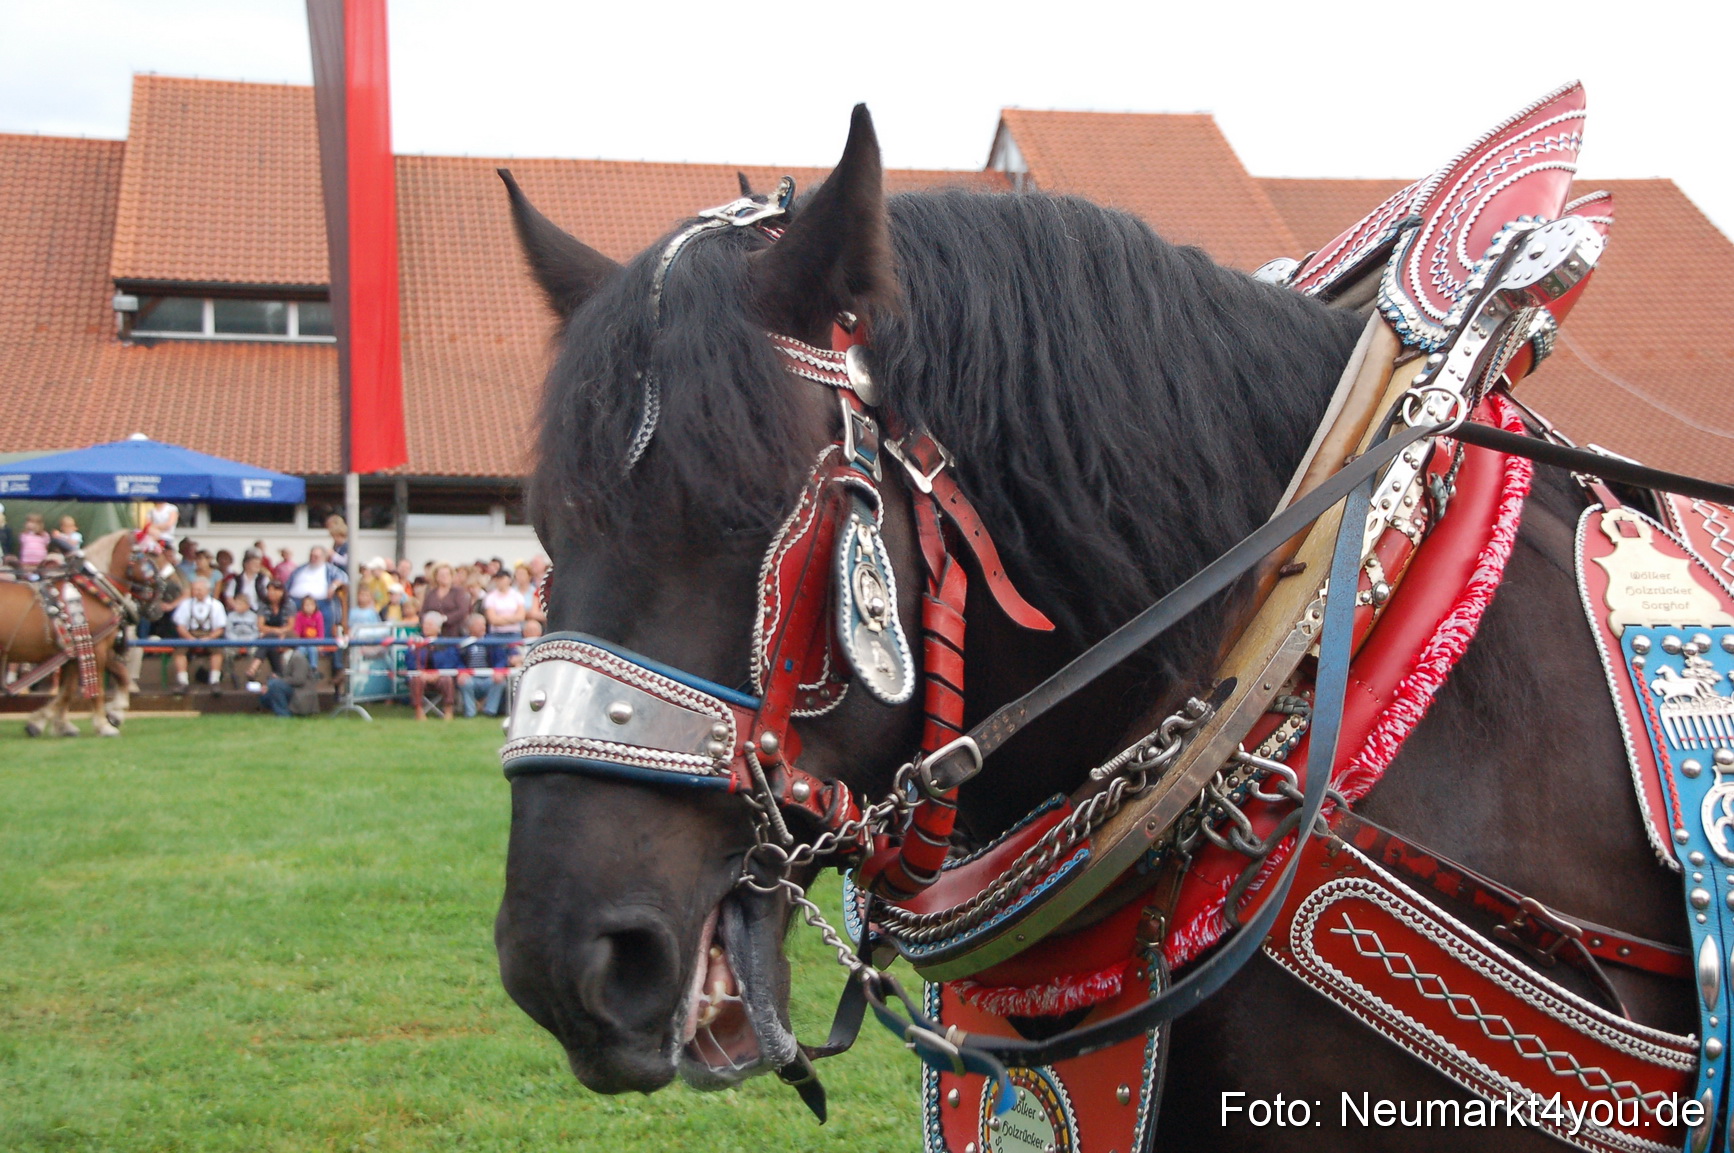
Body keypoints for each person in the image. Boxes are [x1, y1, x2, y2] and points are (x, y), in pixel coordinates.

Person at [171, 576, 227, 694]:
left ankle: (214, 682)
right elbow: (180, 626)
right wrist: (189, 638)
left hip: (210, 636)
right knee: (179, 651)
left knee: (217, 651)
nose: (197, 592)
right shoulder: (186, 604)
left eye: (200, 589)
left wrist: (209, 638)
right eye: (195, 589)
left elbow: (220, 628)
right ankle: (183, 683)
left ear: (208, 590)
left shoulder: (216, 605)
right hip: (189, 635)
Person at [286, 545, 347, 641]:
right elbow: (288, 583)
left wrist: (334, 586)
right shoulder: (301, 568)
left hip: (321, 602)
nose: (313, 558)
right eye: (311, 556)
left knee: (326, 615)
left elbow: (344, 578)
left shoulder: (330, 569)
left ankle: (323, 647)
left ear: (324, 557)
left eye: (316, 556)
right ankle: (295, 645)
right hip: (296, 602)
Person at [407, 611, 459, 721]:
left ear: (438, 628)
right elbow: (410, 661)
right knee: (416, 680)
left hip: (440, 676)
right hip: (421, 676)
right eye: (425, 624)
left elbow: (452, 661)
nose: (426, 627)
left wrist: (438, 673)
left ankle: (448, 711)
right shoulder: (415, 642)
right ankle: (419, 711)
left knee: (447, 680)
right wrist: (421, 672)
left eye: (430, 625)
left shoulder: (446, 643)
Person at [482, 569, 526, 666]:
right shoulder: (490, 597)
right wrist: (512, 618)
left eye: (503, 579)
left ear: (509, 580)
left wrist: (501, 618)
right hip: (496, 635)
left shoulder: (517, 595)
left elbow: (521, 616)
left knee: (516, 661)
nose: (500, 581)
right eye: (498, 579)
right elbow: (493, 619)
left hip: (514, 634)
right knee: (498, 664)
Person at [456, 613, 496, 718]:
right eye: (479, 625)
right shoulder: (463, 643)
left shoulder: (491, 641)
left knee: (500, 682)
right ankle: (470, 713)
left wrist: (498, 671)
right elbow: (457, 660)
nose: (483, 627)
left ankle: (490, 711)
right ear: (470, 627)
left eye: (484, 624)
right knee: (464, 682)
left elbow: (500, 659)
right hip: (470, 677)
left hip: (489, 677)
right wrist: (462, 671)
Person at [262, 646, 320, 717]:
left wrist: (280, 680)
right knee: (271, 685)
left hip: (301, 692)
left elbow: (299, 680)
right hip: (293, 688)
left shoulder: (298, 657)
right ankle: (280, 711)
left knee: (275, 685)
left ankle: (283, 714)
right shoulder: (286, 657)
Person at [420, 563, 471, 639]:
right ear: (436, 577)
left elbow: (463, 610)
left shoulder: (458, 592)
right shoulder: (431, 594)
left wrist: (445, 618)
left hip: (454, 633)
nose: (444, 577)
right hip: (433, 635)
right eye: (441, 575)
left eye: (447, 574)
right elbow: (423, 612)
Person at [225, 595, 265, 691]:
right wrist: (237, 641)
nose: (237, 606)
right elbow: (228, 632)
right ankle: (229, 674)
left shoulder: (253, 616)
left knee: (256, 651)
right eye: (236, 603)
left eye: (240, 604)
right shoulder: (230, 616)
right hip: (234, 642)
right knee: (226, 651)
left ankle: (252, 674)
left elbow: (256, 632)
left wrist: (248, 641)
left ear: (247, 605)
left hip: (249, 642)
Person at [258, 579, 293, 674]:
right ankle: (278, 673)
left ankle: (255, 666)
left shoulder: (289, 604)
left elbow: (291, 626)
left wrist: (280, 632)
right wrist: (276, 631)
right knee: (270, 640)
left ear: (281, 592)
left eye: (274, 590)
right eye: (269, 590)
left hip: (286, 635)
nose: (271, 593)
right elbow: (260, 625)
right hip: (268, 635)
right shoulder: (263, 604)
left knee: (268, 640)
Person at [221, 548, 271, 614]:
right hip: (240, 612)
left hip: (259, 612)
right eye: (254, 563)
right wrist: (237, 607)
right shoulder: (236, 580)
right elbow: (229, 597)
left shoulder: (263, 579)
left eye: (258, 563)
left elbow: (269, 595)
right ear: (246, 564)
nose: (257, 566)